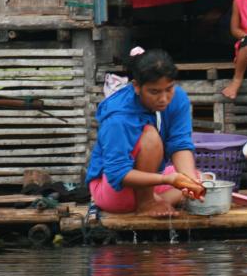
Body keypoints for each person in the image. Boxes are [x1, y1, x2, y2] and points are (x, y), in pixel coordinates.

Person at [85, 47, 205, 217]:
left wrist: (189, 182)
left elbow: (179, 144)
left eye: (169, 89)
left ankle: (159, 200)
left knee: (201, 178)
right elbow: (117, 173)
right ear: (136, 87)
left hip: (148, 181)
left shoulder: (178, 98)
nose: (164, 99)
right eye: (154, 91)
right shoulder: (118, 117)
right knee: (150, 136)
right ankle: (147, 202)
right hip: (113, 192)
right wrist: (166, 180)